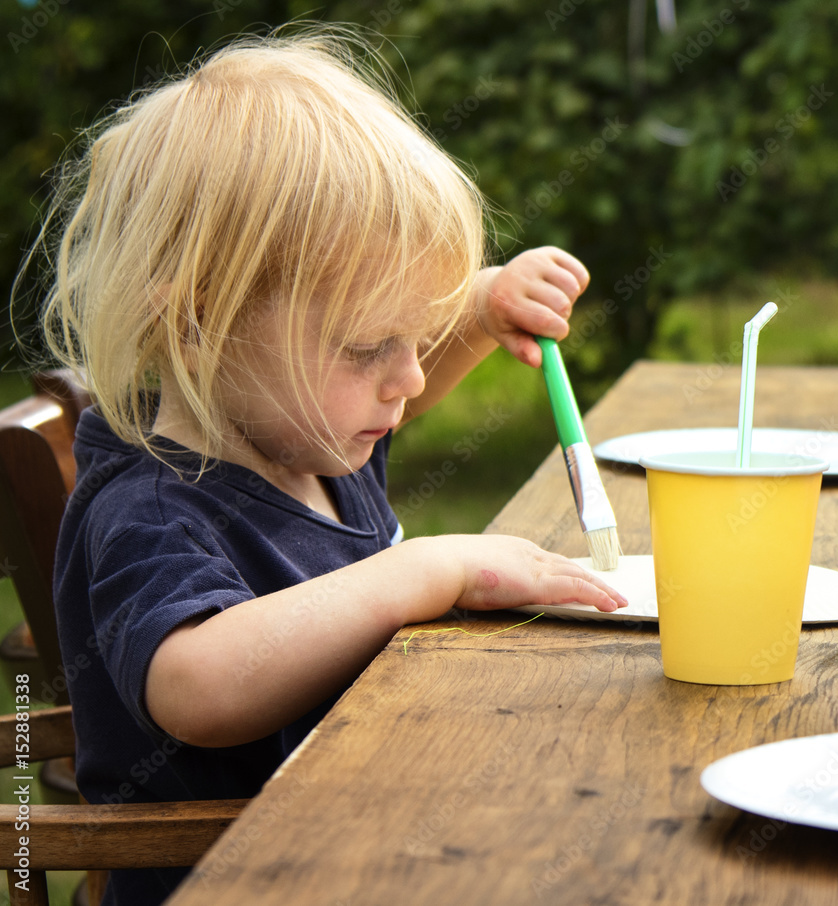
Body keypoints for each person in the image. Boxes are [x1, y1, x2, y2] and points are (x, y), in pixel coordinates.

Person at [18, 27, 626, 905]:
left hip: (368, 842)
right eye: (371, 346)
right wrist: (424, 570)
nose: (411, 379)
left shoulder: (306, 438)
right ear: (199, 321)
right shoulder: (152, 505)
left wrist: (483, 312)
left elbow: (389, 403)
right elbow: (199, 683)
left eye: (419, 336)